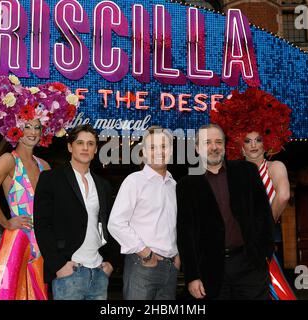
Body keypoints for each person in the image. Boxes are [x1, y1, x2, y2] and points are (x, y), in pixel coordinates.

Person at [0, 75, 77, 300]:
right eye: (27, 126)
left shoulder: (45, 166)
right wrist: (6, 222)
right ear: (16, 128)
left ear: (43, 133)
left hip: (42, 242)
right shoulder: (8, 161)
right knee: (7, 294)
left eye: (37, 127)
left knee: (37, 295)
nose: (32, 132)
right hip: (18, 237)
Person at [210, 87, 296, 300]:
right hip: (239, 246)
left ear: (267, 141)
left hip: (261, 242)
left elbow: (284, 196)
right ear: (240, 146)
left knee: (273, 292)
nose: (254, 145)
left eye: (258, 139)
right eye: (248, 141)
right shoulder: (232, 172)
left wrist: (266, 224)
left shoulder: (274, 166)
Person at [176, 123, 275, 300]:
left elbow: (264, 215)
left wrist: (264, 254)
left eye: (218, 142)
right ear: (198, 148)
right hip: (210, 271)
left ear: (224, 146)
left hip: (249, 266)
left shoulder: (247, 172)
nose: (214, 147)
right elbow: (186, 235)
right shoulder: (186, 185)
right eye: (207, 142)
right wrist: (192, 276)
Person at [34, 124, 114, 300]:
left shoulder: (103, 185)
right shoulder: (51, 179)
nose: (85, 148)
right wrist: (58, 265)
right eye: (80, 143)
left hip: (99, 273)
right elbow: (42, 224)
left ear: (95, 150)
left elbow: (109, 224)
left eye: (91, 144)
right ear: (70, 147)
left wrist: (110, 262)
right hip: (69, 271)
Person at [108, 126, 180, 300]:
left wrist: (177, 253)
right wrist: (146, 253)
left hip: (170, 268)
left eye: (164, 146)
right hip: (142, 265)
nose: (159, 152)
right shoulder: (135, 181)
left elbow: (172, 225)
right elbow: (116, 223)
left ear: (170, 151)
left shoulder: (173, 185)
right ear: (144, 153)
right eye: (153, 147)